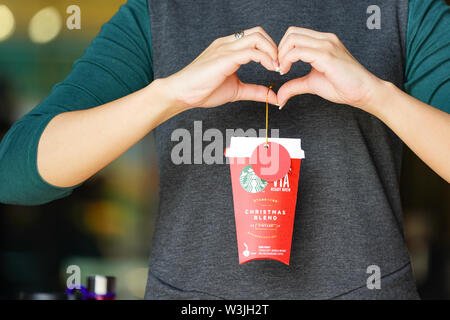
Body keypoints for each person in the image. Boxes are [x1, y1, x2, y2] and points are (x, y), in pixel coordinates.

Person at [0, 0, 449, 299]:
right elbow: (14, 172)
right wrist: (168, 95)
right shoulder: (158, 13)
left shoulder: (401, 10)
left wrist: (377, 95)